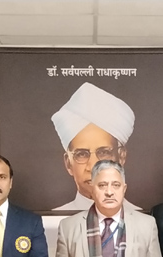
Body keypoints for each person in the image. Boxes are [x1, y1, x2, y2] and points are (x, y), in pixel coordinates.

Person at [50, 82, 140, 212]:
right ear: (68, 163)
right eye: (81, 154)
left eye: (104, 152)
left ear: (121, 157)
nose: (93, 167)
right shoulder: (55, 219)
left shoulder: (143, 219)